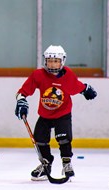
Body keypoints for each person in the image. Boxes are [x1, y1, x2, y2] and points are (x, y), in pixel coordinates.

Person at [15, 45, 97, 181]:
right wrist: (21, 101)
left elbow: (76, 86)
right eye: (50, 60)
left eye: (56, 61)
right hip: (45, 115)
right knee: (40, 139)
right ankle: (46, 163)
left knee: (63, 138)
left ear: (62, 61)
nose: (52, 64)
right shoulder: (38, 75)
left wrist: (85, 89)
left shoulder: (67, 75)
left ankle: (66, 164)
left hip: (62, 114)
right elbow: (22, 92)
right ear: (45, 61)